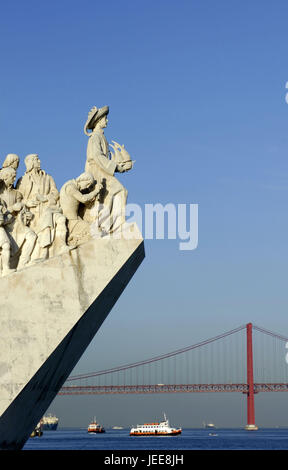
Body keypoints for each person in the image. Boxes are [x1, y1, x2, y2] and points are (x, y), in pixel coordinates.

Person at [83, 105, 131, 233]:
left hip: (103, 171)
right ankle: (109, 224)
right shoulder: (95, 137)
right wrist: (116, 167)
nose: (107, 121)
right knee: (119, 191)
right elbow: (96, 156)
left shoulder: (101, 137)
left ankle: (114, 224)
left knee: (116, 193)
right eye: (105, 118)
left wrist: (120, 165)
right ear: (99, 121)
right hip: (98, 172)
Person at [16, 154, 69, 260]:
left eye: (38, 159)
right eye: (36, 159)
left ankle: (61, 246)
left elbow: (55, 193)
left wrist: (45, 198)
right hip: (32, 212)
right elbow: (18, 198)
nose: (39, 161)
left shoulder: (48, 177)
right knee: (44, 223)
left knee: (59, 219)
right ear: (30, 163)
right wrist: (27, 203)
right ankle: (42, 252)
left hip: (48, 208)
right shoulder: (23, 180)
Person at [0, 166, 37, 269]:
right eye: (13, 177)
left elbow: (22, 209)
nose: (14, 179)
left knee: (31, 236)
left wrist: (25, 214)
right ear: (5, 177)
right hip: (5, 225)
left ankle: (23, 263)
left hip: (16, 224)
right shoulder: (0, 194)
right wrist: (12, 208)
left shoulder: (17, 194)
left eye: (15, 177)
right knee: (6, 245)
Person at [59, 172, 100, 246]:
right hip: (71, 220)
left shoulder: (70, 185)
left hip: (75, 218)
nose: (86, 187)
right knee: (92, 230)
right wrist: (96, 191)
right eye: (87, 184)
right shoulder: (70, 187)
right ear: (83, 180)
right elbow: (83, 199)